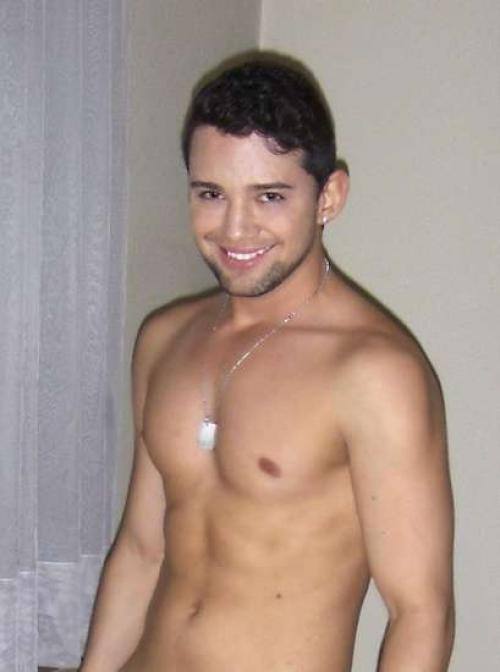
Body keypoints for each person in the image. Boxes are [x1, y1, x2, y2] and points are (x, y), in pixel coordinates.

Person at [80, 54, 455, 672]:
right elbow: (143, 549)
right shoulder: (163, 339)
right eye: (211, 194)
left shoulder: (373, 373)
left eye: (270, 196)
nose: (235, 228)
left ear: (329, 196)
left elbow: (420, 613)